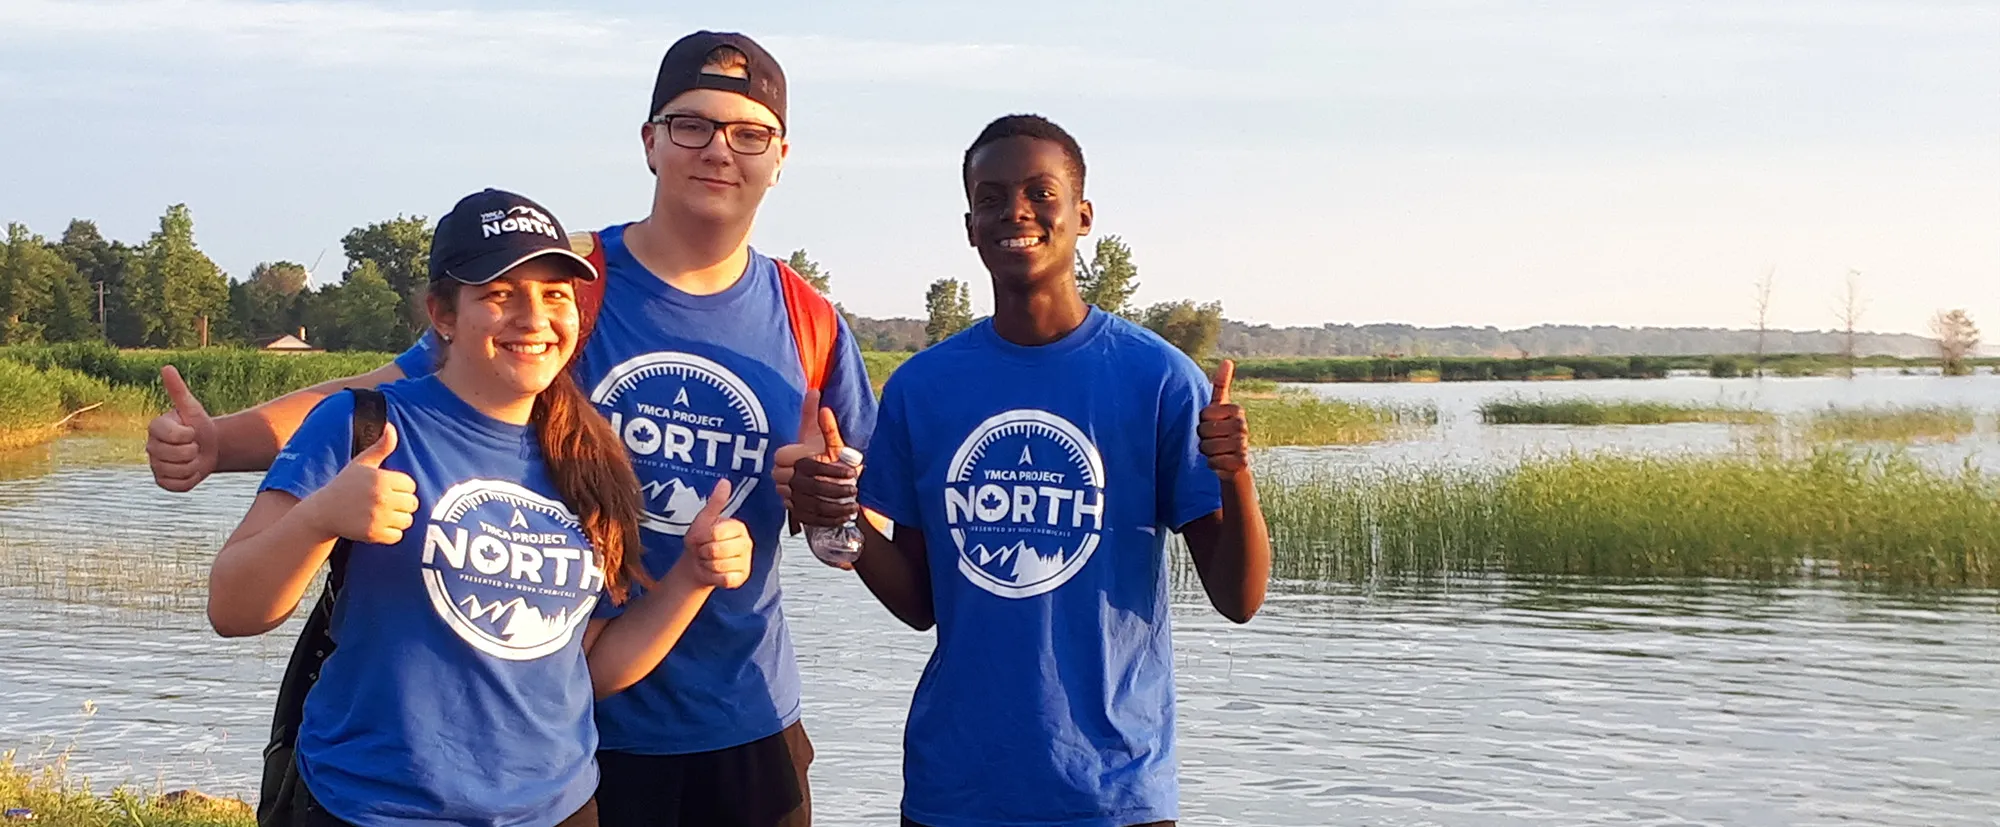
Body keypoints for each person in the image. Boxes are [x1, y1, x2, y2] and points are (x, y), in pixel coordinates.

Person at [149, 31, 873, 827]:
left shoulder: (811, 323)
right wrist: (223, 442)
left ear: (781, 154)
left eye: (748, 133)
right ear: (651, 141)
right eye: (691, 125)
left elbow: (853, 532)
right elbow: (380, 397)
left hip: (738, 712)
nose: (719, 151)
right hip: (573, 735)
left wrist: (831, 504)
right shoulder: (568, 280)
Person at [781, 114, 1272, 827]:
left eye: (1041, 192)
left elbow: (1240, 596)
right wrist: (840, 519)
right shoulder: (924, 387)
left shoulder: (1158, 378)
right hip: (956, 788)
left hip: (1113, 790)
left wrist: (1236, 473)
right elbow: (921, 601)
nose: (1015, 210)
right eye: (992, 196)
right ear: (971, 225)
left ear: (1083, 215)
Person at [206, 188, 754, 827]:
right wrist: (318, 519)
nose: (534, 317)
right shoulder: (361, 427)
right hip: (373, 807)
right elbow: (232, 609)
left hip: (556, 808)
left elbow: (592, 666)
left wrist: (692, 578)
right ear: (442, 313)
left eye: (555, 294)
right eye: (500, 294)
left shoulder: (593, 459)